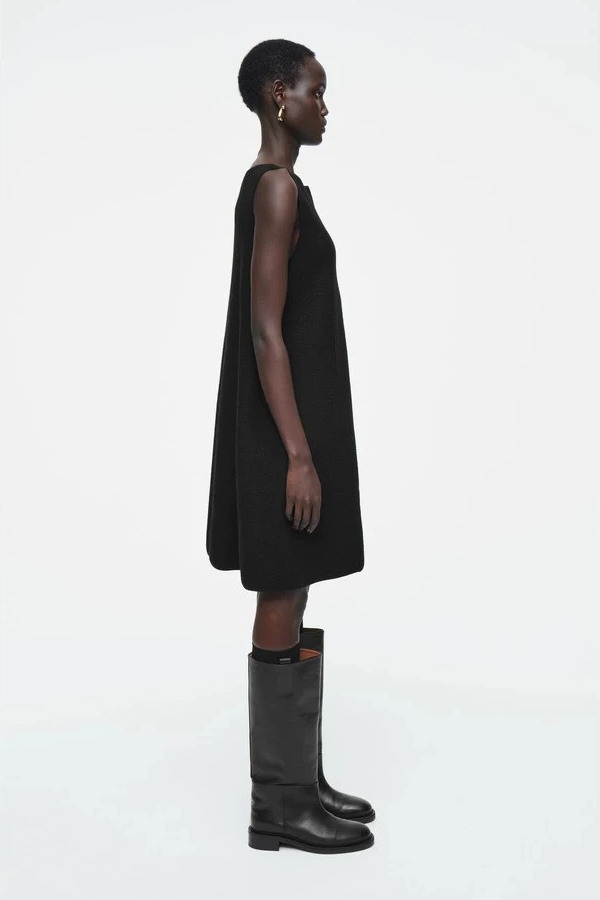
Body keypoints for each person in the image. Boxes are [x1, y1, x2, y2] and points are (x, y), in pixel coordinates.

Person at [206, 38, 375, 853]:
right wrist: (299, 456)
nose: (325, 106)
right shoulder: (274, 187)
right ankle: (277, 807)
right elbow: (265, 331)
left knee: (296, 586)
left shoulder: (279, 185)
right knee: (280, 589)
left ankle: (300, 782)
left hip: (293, 422)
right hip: (283, 433)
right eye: (317, 90)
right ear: (280, 94)